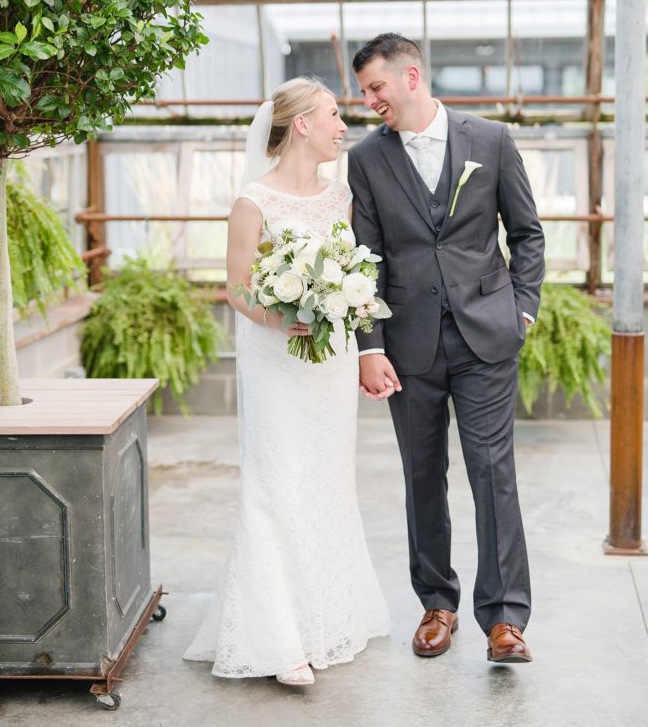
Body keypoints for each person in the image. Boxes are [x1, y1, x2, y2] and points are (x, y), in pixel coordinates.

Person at [183, 76, 390, 686]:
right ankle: (278, 640)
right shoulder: (253, 202)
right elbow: (237, 288)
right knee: (275, 486)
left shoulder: (341, 197)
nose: (342, 126)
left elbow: (352, 272)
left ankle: (325, 621)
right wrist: (284, 319)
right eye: (333, 114)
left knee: (327, 483)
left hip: (330, 365)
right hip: (275, 363)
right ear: (302, 124)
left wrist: (343, 310)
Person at [348, 33, 545, 664]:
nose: (369, 101)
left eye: (376, 87)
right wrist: (370, 346)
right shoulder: (366, 158)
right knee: (422, 474)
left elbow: (527, 233)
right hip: (408, 344)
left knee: (492, 471)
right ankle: (437, 603)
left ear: (411, 77)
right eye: (364, 92)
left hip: (487, 334)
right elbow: (365, 259)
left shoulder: (490, 140)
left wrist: (521, 309)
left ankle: (505, 619)